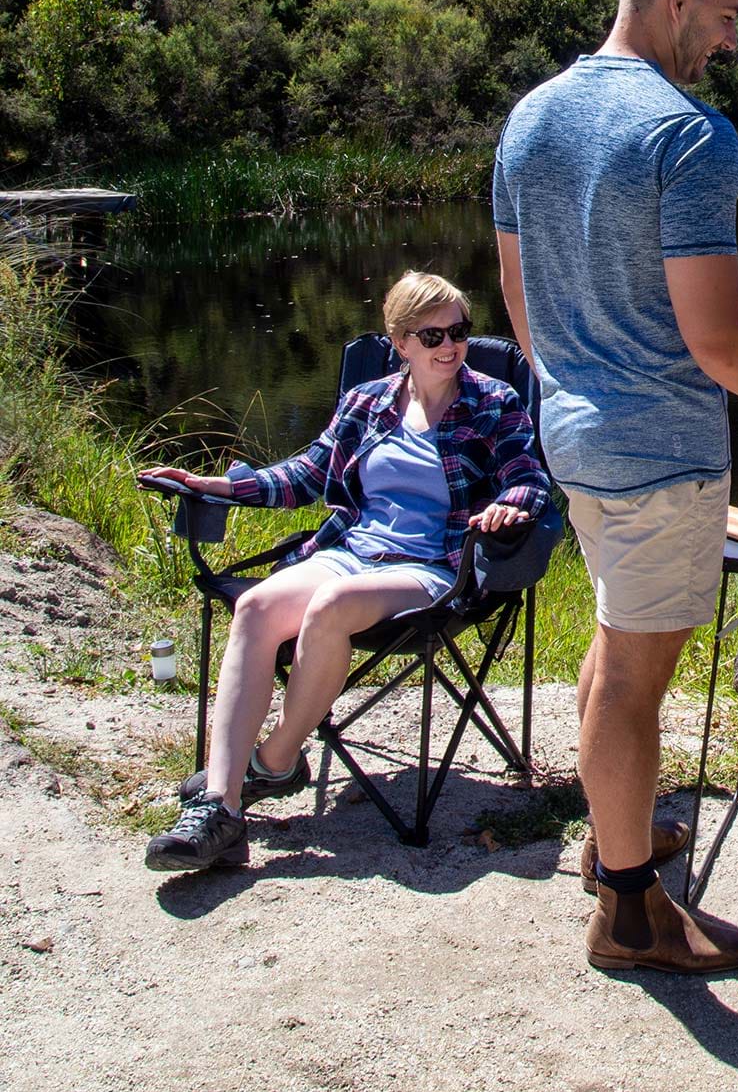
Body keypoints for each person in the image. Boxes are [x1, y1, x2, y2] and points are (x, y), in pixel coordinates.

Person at [494, 0, 738, 975]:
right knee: (638, 680)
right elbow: (718, 338)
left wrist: (576, 394)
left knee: (614, 639)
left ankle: (618, 832)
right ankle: (629, 911)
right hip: (658, 453)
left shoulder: (530, 118)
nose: (730, 41)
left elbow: (520, 310)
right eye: (726, 14)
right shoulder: (688, 134)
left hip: (574, 434)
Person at [138, 271, 548, 873]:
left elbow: (529, 477)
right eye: (430, 335)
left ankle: (274, 761)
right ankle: (221, 809)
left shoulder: (493, 401)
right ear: (401, 341)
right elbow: (305, 473)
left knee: (331, 605)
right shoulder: (368, 400)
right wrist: (219, 485)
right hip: (350, 552)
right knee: (255, 607)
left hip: (432, 569)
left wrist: (511, 504)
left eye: (458, 331)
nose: (449, 346)